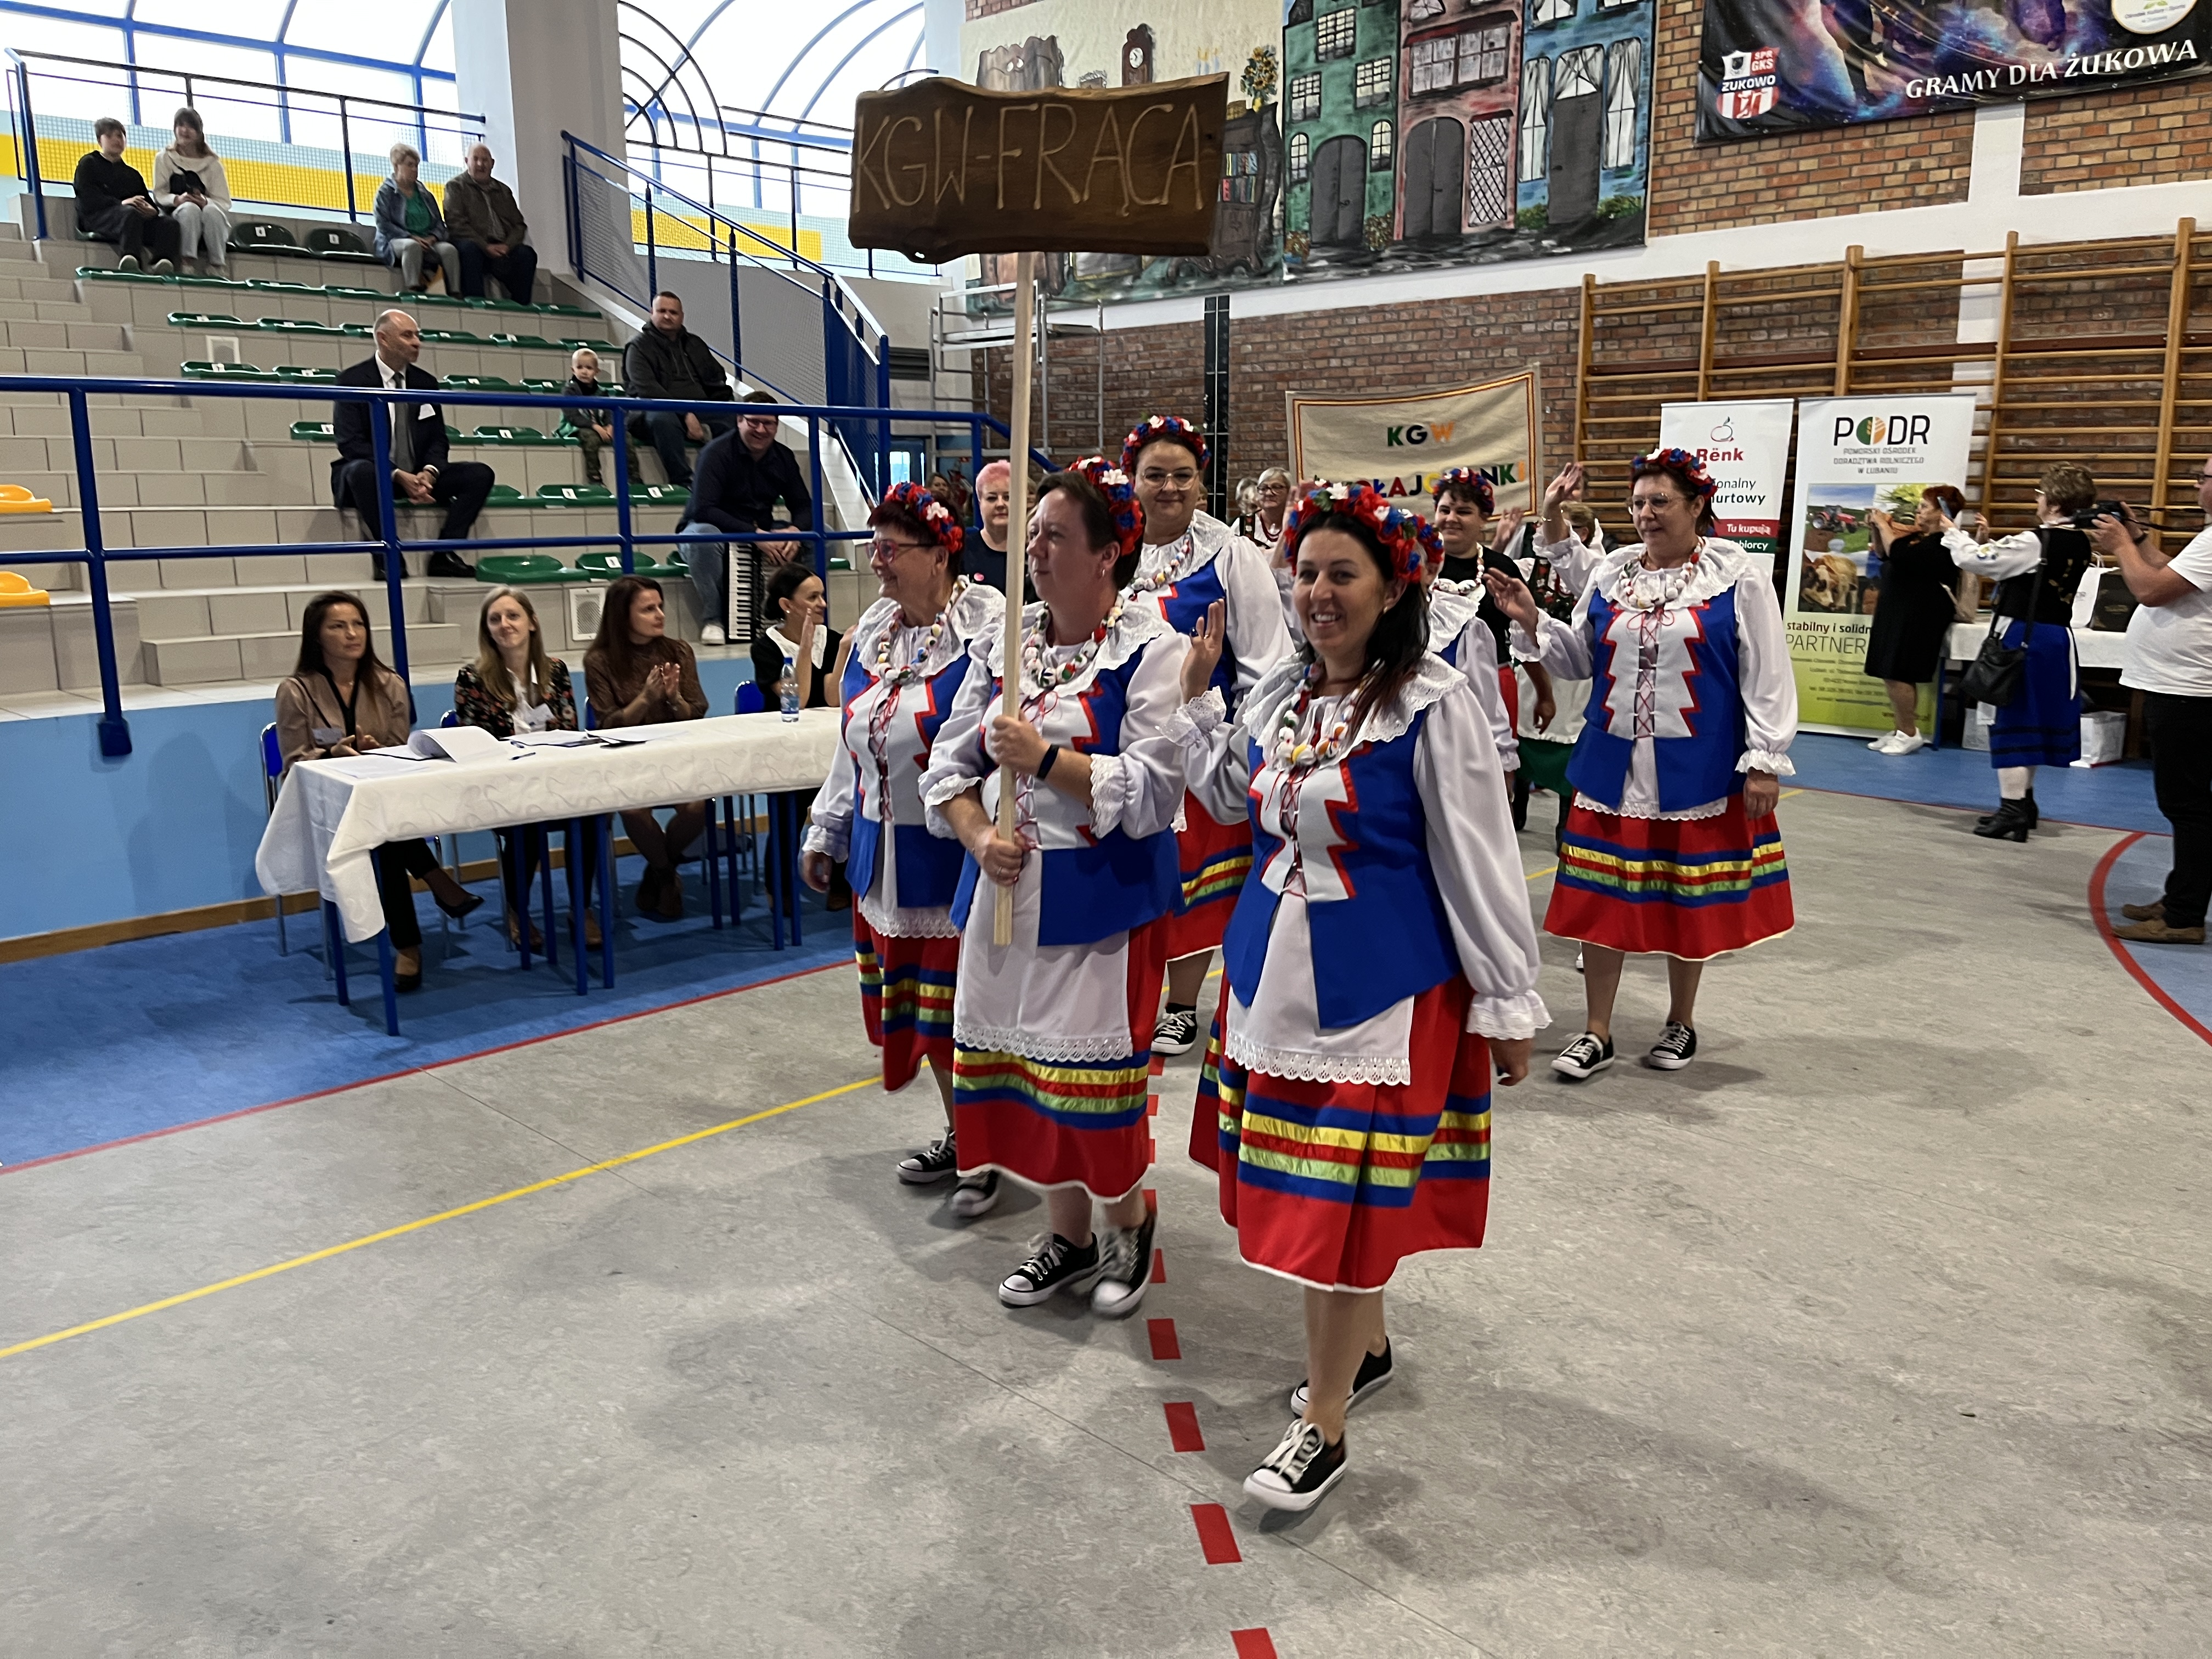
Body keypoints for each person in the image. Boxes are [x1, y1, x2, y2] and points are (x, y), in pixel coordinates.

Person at [1170, 483, 1546, 1513]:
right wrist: (1198, 701)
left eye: (1343, 573)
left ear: (1392, 588)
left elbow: (1478, 858)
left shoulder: (1431, 702)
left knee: (1335, 1218)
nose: (1318, 593)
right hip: (1271, 987)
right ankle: (1364, 1348)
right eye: (1305, 573)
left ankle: (1324, 1425)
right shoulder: (1285, 695)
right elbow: (1230, 798)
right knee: (1314, 1204)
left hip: (1377, 1001)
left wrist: (1507, 997)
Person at [918, 459, 1190, 1319]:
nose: (1034, 548)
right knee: (1030, 1075)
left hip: (1098, 897)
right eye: (1032, 533)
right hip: (1003, 890)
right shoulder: (1005, 645)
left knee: (1091, 1087)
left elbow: (1153, 793)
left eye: (1055, 535)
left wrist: (1043, 759)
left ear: (1107, 554)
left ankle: (1127, 1223)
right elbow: (946, 769)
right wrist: (977, 835)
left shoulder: (1151, 648)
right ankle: (1065, 1235)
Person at [1488, 447, 1797, 1080]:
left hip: (1700, 768)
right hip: (1611, 768)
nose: (1646, 514)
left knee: (1689, 899)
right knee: (1602, 899)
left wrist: (1766, 757)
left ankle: (1681, 1021)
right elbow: (1581, 658)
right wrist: (1531, 619)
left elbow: (1766, 670)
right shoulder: (1614, 573)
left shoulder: (1737, 577)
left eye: (1660, 502)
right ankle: (1596, 1031)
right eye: (1637, 504)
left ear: (1697, 506)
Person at [803, 484, 1007, 1213]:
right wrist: (828, 827)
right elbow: (852, 744)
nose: (877, 562)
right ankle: (964, 1134)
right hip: (880, 855)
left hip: (948, 855)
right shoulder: (876, 630)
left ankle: (986, 1151)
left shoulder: (987, 629)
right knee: (924, 1014)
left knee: (962, 1014)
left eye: (891, 549)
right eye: (874, 547)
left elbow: (988, 745)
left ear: (940, 555)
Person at [1120, 415, 1293, 1058]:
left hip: (1200, 739)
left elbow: (1268, 660)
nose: (1169, 487)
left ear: (1202, 482)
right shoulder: (1112, 547)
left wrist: (1239, 743)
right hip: (1122, 742)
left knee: (1192, 878)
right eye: (1155, 475)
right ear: (1132, 480)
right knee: (1131, 871)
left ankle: (1182, 1006)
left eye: (1183, 476)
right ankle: (1128, 994)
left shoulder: (1230, 554)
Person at [274, 592, 483, 990]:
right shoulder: (296, 691)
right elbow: (293, 764)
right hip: (328, 807)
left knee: (380, 828)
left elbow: (402, 752)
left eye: (358, 625)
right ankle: (435, 888)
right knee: (380, 829)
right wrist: (331, 753)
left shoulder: (390, 684)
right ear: (317, 636)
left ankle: (409, 946)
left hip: (383, 800)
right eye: (338, 626)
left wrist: (376, 749)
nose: (352, 634)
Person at [1940, 462, 2098, 842]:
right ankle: (2024, 803)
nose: (2037, 501)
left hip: (2024, 638)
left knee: (2011, 719)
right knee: (2034, 721)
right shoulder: (2081, 541)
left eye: (2041, 494)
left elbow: (1978, 561)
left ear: (2055, 503)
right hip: (2056, 639)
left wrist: (1955, 536)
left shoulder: (2036, 541)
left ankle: (2012, 808)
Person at [2094, 456, 2212, 945]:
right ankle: (2182, 896)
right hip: (2185, 686)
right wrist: (2138, 538)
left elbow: (2149, 588)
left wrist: (2121, 547)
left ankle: (2184, 916)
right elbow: (2168, 570)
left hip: (2190, 689)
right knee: (2187, 804)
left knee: (2188, 806)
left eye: (2204, 477)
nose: (2197, 485)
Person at [452, 586, 600, 951]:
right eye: (495, 619)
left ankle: (580, 908)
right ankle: (518, 911)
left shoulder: (556, 671)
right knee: (527, 823)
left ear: (532, 622)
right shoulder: (472, 678)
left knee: (590, 814)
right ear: (487, 630)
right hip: (501, 786)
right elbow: (476, 742)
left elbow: (568, 729)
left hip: (554, 779)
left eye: (513, 616)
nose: (505, 624)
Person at [331, 309, 492, 580]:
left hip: (416, 474)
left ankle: (444, 554)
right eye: (408, 336)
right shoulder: (352, 380)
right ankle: (387, 553)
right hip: (376, 474)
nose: (417, 342)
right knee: (361, 471)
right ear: (383, 338)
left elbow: (438, 439)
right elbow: (350, 443)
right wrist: (395, 473)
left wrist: (429, 473)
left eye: (417, 335)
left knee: (480, 474)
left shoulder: (425, 382)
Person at [584, 576, 710, 921]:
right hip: (629, 758)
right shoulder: (600, 660)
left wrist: (674, 699)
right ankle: (666, 876)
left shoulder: (679, 651)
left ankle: (659, 871)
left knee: (697, 807)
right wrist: (645, 699)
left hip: (676, 754)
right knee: (634, 809)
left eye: (660, 607)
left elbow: (697, 711)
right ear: (623, 615)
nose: (660, 615)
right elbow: (607, 725)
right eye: (648, 609)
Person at [679, 392, 810, 645]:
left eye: (768, 423)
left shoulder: (784, 457)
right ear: (739, 420)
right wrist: (753, 535)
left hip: (761, 529)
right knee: (702, 538)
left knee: (822, 536)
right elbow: (704, 510)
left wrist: (795, 531)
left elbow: (803, 505)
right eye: (754, 422)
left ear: (777, 426)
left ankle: (802, 617)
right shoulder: (715, 453)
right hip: (715, 529)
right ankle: (713, 620)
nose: (761, 430)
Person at [1860, 485, 1966, 757]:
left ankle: (1909, 733)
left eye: (1925, 507)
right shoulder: (1917, 538)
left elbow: (1900, 554)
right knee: (1889, 671)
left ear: (1941, 513)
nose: (1919, 511)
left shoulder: (1945, 542)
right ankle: (1900, 729)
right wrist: (1876, 528)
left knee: (1900, 672)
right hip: (1897, 611)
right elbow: (1884, 553)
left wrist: (1884, 524)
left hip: (1919, 615)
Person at [624, 292, 735, 488]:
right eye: (662, 311)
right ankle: (684, 480)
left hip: (700, 408)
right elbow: (647, 389)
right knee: (662, 420)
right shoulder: (638, 346)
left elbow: (716, 377)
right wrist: (685, 413)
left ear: (682, 316)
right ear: (651, 313)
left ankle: (730, 480)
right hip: (655, 408)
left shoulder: (695, 344)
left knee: (739, 418)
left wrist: (722, 403)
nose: (668, 316)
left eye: (673, 312)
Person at [73, 117, 179, 275]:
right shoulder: (88, 164)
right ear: (100, 141)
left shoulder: (132, 174)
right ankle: (130, 258)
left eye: (120, 136)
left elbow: (147, 201)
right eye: (110, 136)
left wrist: (152, 211)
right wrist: (122, 204)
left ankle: (161, 262)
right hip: (98, 218)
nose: (116, 140)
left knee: (169, 224)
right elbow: (88, 198)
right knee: (130, 213)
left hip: (131, 220)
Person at [441, 144, 537, 303]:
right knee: (469, 250)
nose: (481, 164)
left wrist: (507, 246)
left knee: (526, 255)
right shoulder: (455, 187)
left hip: (503, 248)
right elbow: (456, 224)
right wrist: (485, 246)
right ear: (467, 161)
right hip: (476, 246)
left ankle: (521, 307)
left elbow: (519, 225)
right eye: (476, 159)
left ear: (492, 164)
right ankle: (476, 304)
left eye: (485, 160)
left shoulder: (504, 191)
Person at [373, 143, 462, 296]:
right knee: (412, 246)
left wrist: (433, 238)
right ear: (397, 166)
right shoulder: (385, 193)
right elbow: (383, 224)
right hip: (395, 240)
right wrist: (410, 237)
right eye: (410, 165)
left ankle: (455, 292)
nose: (415, 169)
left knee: (449, 250)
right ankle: (413, 289)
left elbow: (439, 223)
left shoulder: (425, 194)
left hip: (427, 240)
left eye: (416, 166)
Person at [752, 562, 842, 709]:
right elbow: (797, 701)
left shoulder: (834, 641)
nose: (823, 604)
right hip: (786, 723)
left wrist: (845, 648)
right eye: (813, 597)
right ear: (787, 605)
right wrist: (806, 647)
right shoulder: (765, 649)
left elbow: (834, 700)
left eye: (822, 595)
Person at [151, 108, 229, 276]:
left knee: (212, 211)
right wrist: (177, 200)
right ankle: (187, 264)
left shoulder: (213, 164)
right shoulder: (164, 158)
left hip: (207, 212)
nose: (185, 130)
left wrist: (206, 202)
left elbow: (224, 202)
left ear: (199, 133)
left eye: (190, 127)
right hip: (176, 212)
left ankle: (217, 266)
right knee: (190, 209)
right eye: (181, 125)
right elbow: (159, 194)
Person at [564, 349, 637, 489]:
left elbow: (609, 411)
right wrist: (596, 427)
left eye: (589, 368)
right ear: (573, 370)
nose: (584, 371)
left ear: (597, 371)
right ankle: (594, 477)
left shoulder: (602, 392)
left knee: (625, 436)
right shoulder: (569, 391)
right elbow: (573, 416)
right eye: (580, 367)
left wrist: (610, 426)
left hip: (599, 426)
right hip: (575, 427)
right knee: (591, 438)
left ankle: (633, 476)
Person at [1235, 466, 1294, 633]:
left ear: (1290, 492)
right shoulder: (1243, 525)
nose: (1269, 493)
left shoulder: (1298, 523)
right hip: (1254, 603)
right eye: (1263, 488)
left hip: (1291, 605)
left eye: (1277, 487)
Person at [966, 459, 1013, 591]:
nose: (1000, 504)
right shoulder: (963, 552)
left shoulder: (1035, 551)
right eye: (992, 498)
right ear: (980, 503)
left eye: (1008, 497)